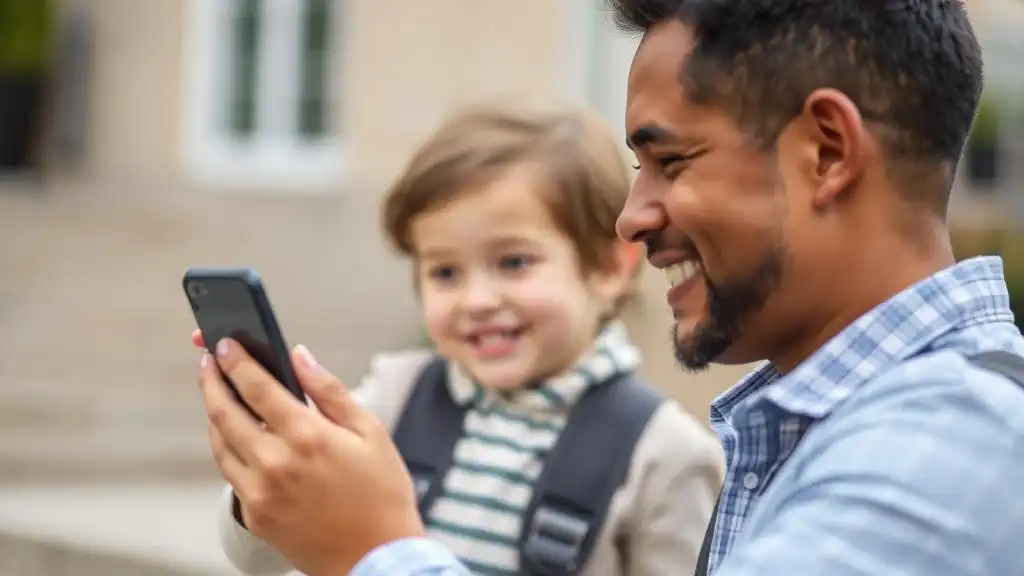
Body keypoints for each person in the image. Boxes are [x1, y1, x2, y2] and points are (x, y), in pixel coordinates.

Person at [193, 0, 1024, 575]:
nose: (631, 218)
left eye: (672, 161)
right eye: (442, 269)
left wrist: (372, 548)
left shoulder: (946, 449)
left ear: (827, 153)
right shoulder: (832, 427)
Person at [198, 103, 724, 576]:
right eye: (445, 272)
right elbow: (258, 560)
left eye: (514, 262)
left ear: (610, 266)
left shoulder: (666, 456)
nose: (476, 300)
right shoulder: (394, 395)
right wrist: (266, 479)